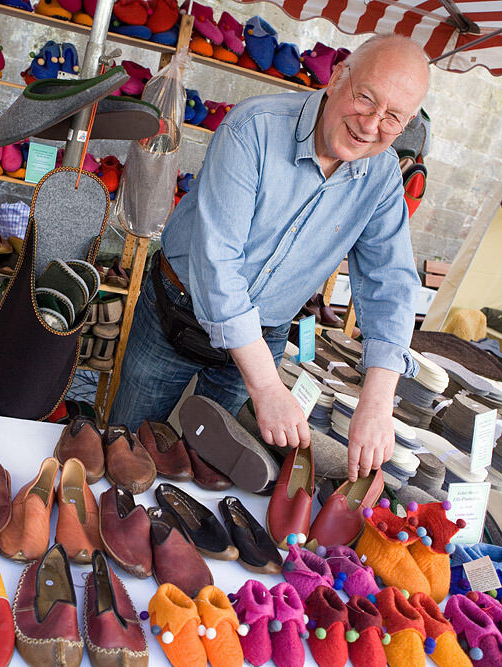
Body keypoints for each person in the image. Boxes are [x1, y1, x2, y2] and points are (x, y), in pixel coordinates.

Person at [110, 34, 430, 483]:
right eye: (365, 98)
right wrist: (266, 385)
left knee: (215, 470)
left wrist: (376, 403)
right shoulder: (253, 128)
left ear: (407, 123)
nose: (370, 124)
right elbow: (217, 263)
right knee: (123, 449)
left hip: (266, 331)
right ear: (338, 76)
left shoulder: (381, 178)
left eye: (392, 118)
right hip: (175, 313)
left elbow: (390, 284)